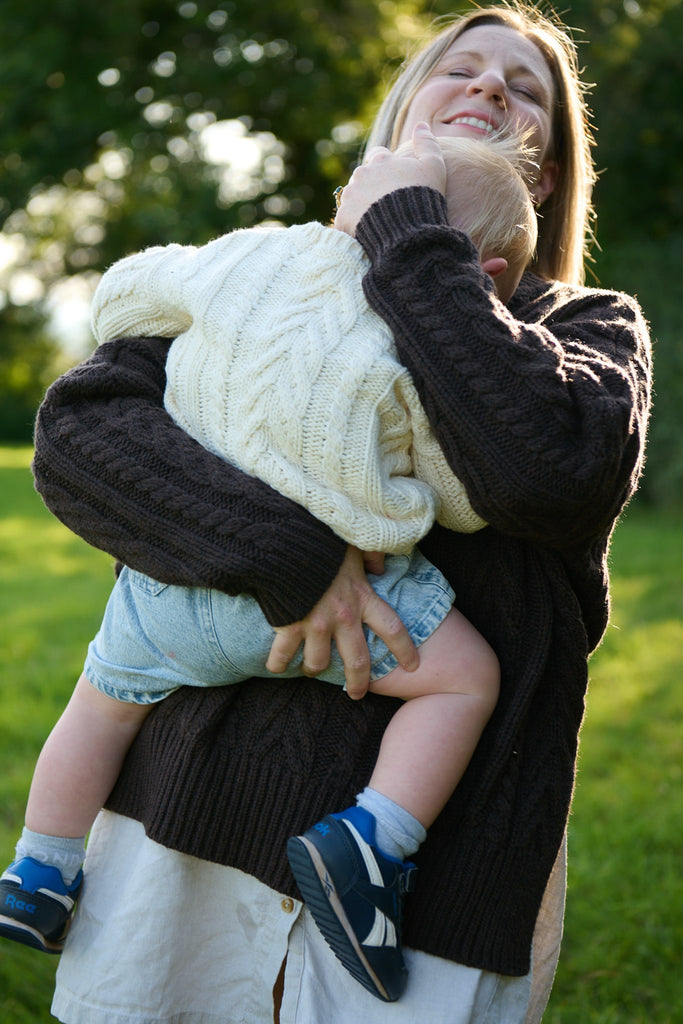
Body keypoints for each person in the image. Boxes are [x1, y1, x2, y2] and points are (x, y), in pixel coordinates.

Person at [24, 3, 652, 1023]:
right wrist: (292, 557)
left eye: (522, 87)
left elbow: (542, 474)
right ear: (394, 123)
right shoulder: (263, 278)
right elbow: (84, 439)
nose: (489, 86)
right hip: (195, 805)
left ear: (539, 179)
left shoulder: (581, 326)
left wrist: (411, 236)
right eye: (461, 68)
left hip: (437, 877)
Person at [0, 134, 539, 1004]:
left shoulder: (250, 254)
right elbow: (469, 492)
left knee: (98, 702)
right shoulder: (425, 340)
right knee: (463, 682)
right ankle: (369, 842)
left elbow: (125, 295)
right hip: (341, 611)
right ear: (477, 277)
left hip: (170, 584)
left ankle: (41, 868)